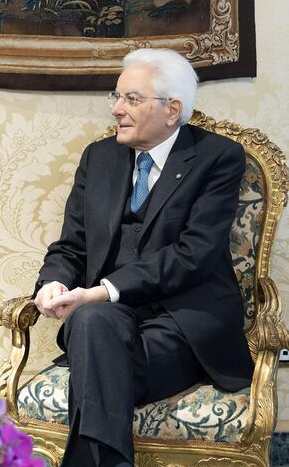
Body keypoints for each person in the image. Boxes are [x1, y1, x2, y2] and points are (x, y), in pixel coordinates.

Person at [32, 48, 253, 467]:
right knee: (94, 326)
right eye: (116, 97)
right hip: (106, 322)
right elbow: (71, 245)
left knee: (97, 363)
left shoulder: (217, 157)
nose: (116, 109)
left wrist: (101, 292)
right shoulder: (98, 158)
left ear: (172, 110)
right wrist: (53, 283)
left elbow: (194, 255)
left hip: (181, 323)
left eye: (132, 99)